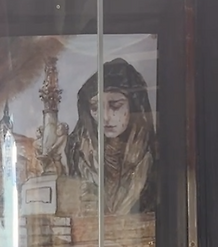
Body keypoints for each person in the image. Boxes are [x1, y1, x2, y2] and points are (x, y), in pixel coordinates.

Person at [66, 58, 158, 214]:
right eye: (95, 107)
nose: (105, 117)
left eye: (115, 105)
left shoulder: (150, 155)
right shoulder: (79, 154)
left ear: (134, 106)